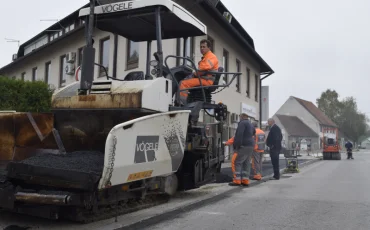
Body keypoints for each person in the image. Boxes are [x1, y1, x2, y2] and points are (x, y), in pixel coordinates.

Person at [224, 113, 256, 186]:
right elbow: (254, 132)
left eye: (240, 117)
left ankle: (237, 180)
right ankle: (245, 180)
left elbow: (239, 135)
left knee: (236, 162)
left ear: (241, 117)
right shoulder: (250, 124)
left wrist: (237, 146)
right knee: (246, 163)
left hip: (243, 146)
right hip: (251, 146)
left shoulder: (242, 123)